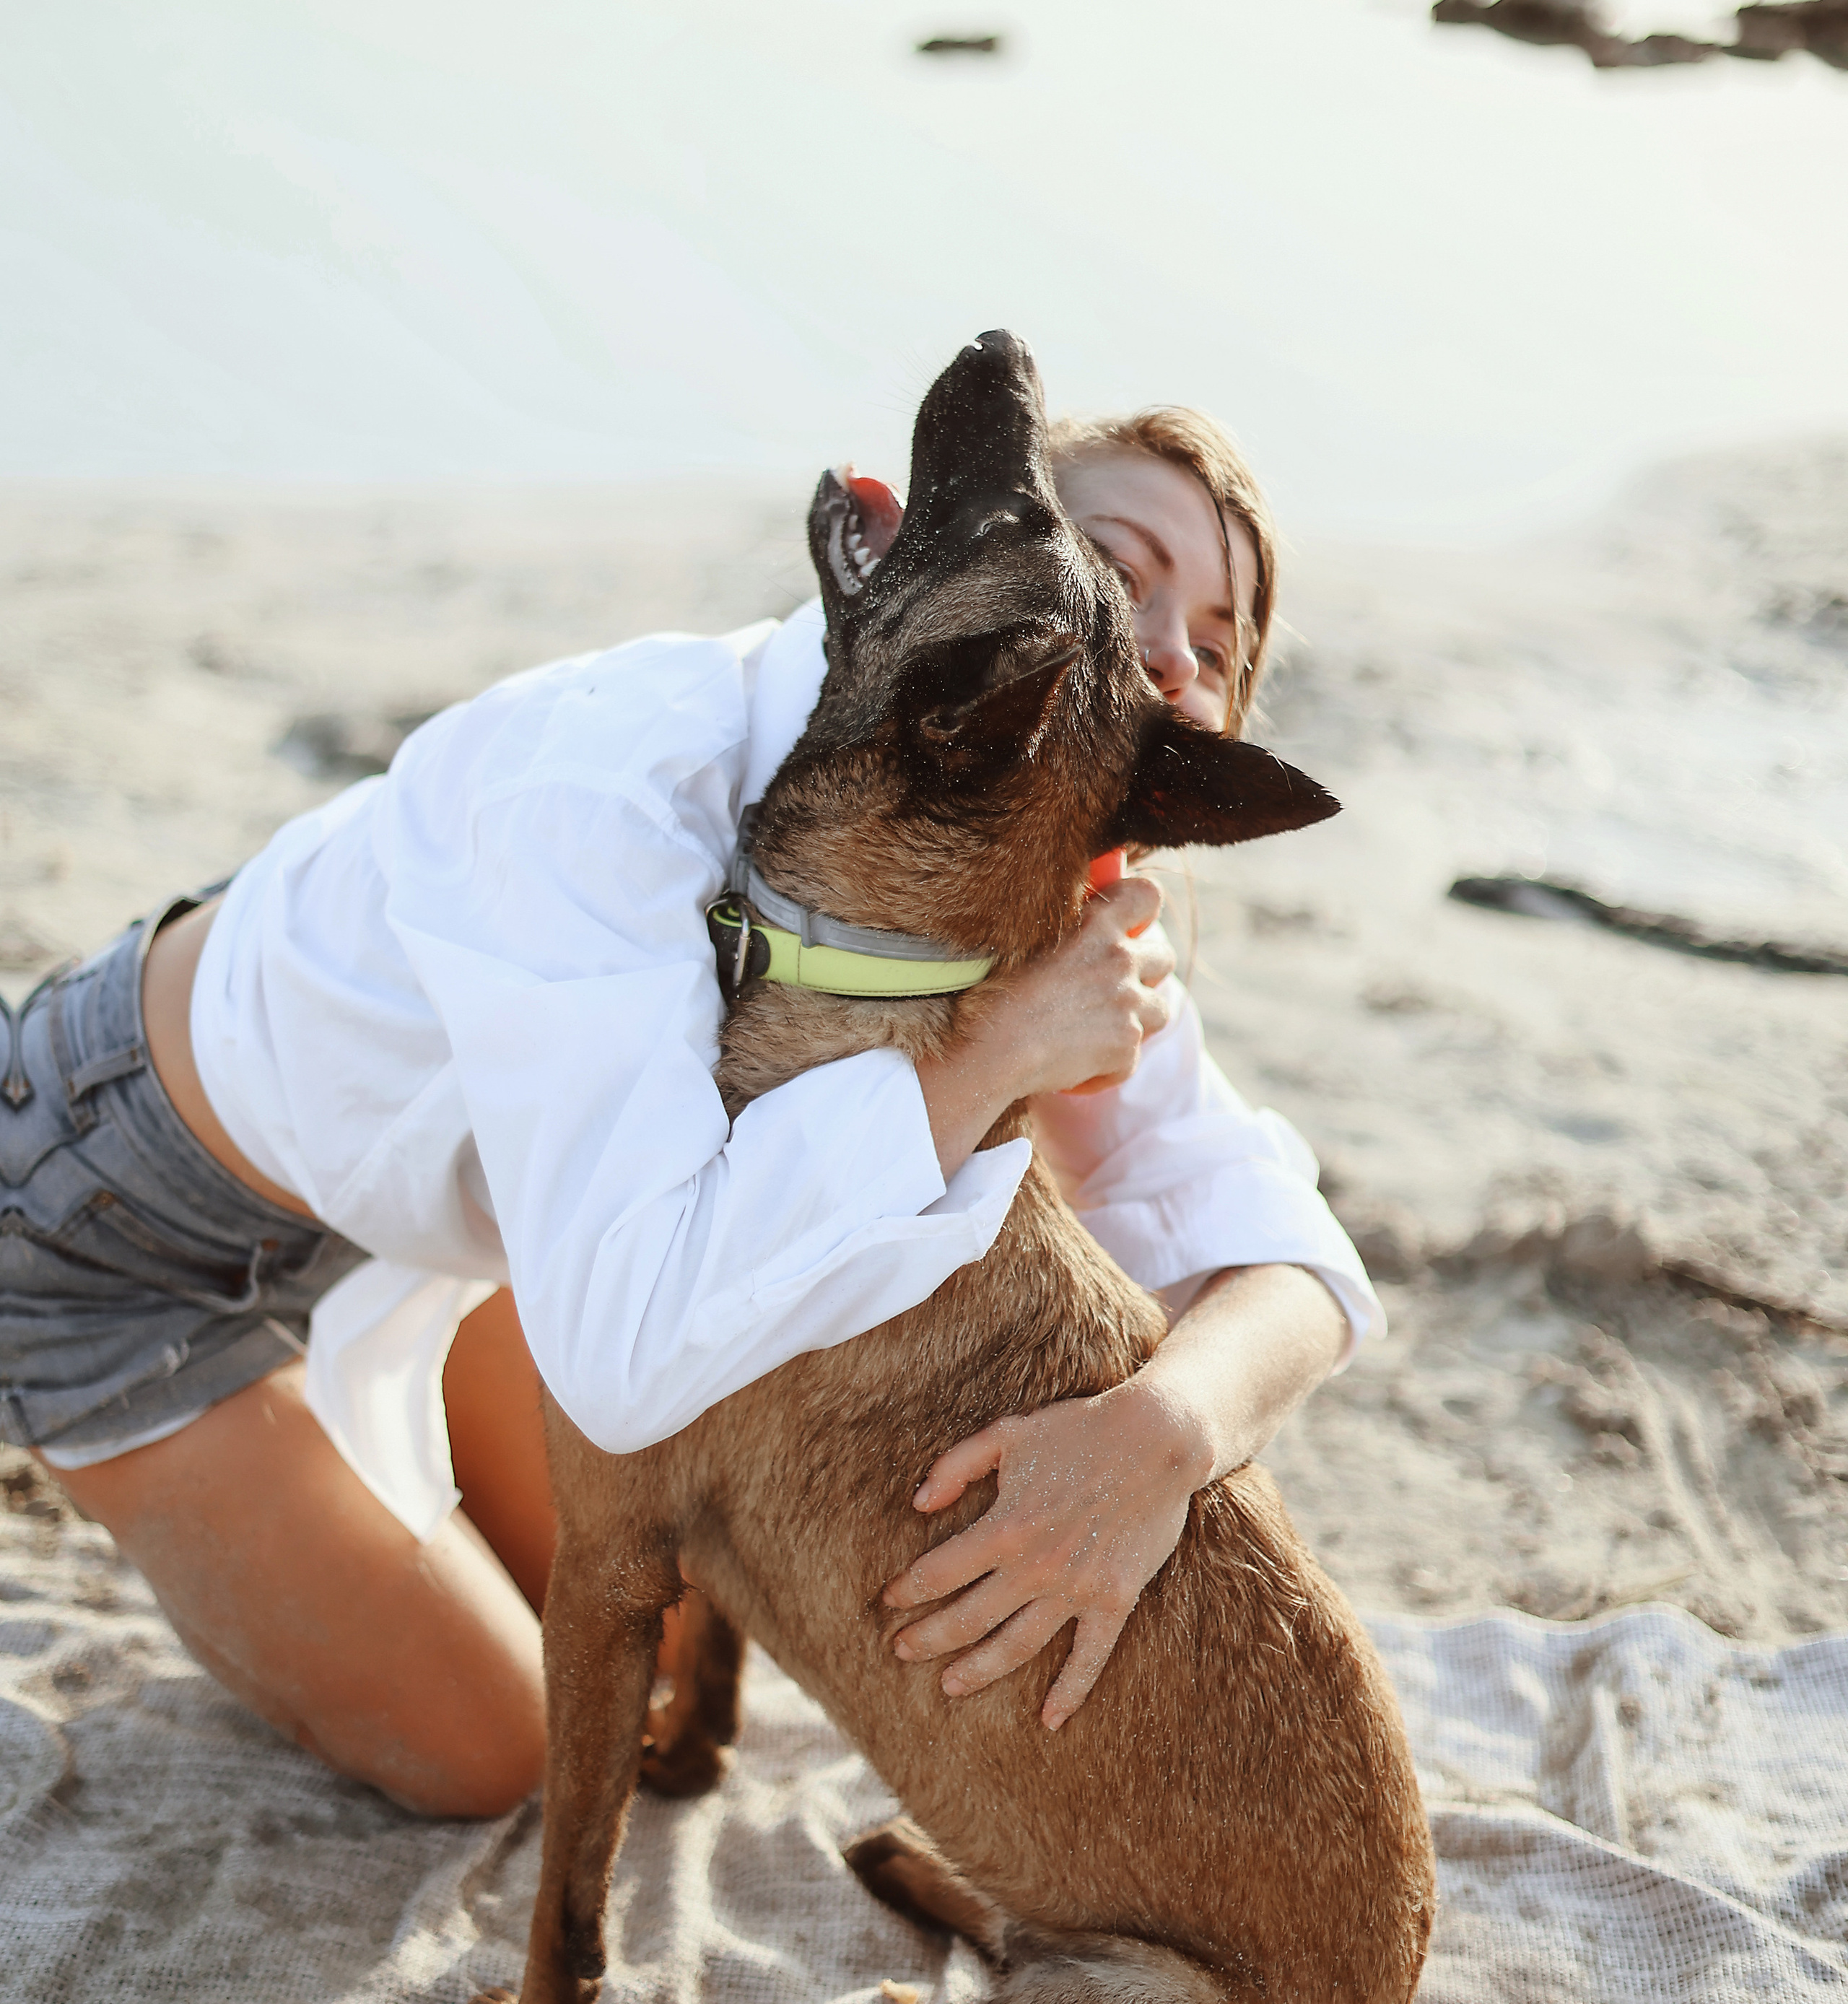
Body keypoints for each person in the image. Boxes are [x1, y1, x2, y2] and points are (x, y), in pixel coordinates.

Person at [0, 407, 1380, 1819]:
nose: (1167, 652)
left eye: (1216, 646)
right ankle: (178, 1459)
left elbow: (1277, 1249)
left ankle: (316, 1482)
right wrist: (983, 1065)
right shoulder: (625, 781)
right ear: (937, 562)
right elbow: (629, 1357)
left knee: (647, 1654)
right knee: (497, 1750)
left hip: (450, 1221)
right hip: (120, 1217)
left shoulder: (1015, 857)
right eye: (1113, 567)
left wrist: (1154, 1440)